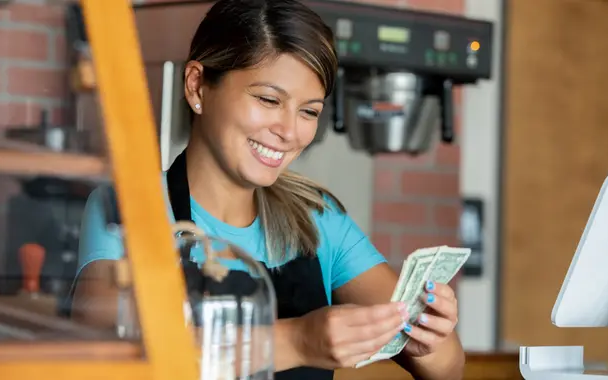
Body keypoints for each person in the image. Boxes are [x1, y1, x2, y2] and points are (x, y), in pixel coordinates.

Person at [71, 0, 465, 379]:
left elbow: (449, 369)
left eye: (308, 111)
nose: (290, 132)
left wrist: (430, 337)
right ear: (197, 86)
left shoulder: (318, 219)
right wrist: (297, 341)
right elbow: (108, 337)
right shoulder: (128, 206)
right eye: (268, 99)